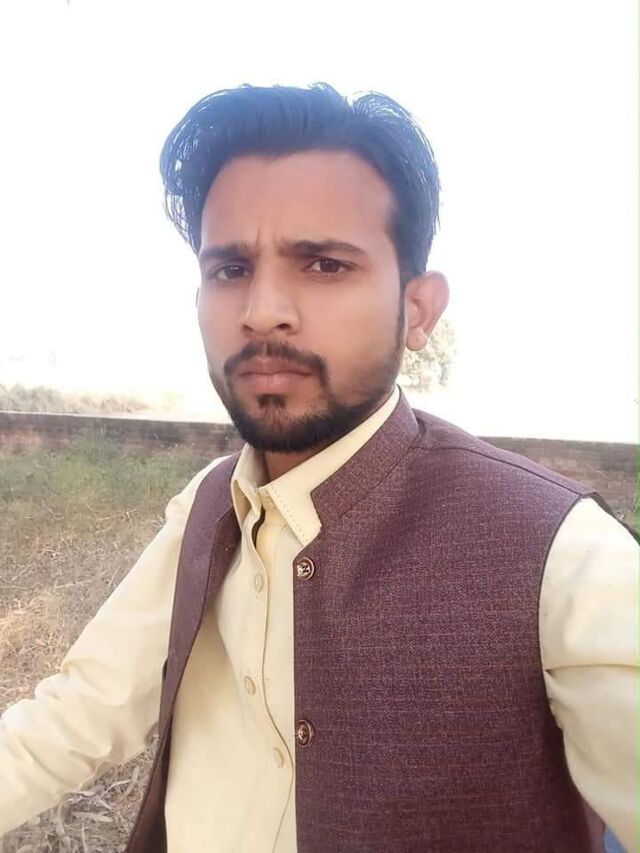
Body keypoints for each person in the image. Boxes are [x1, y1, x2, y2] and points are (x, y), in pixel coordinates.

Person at [0, 83, 637, 853]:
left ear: (418, 311)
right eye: (230, 268)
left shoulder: (562, 555)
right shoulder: (207, 507)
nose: (262, 309)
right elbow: (77, 713)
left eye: (325, 264)